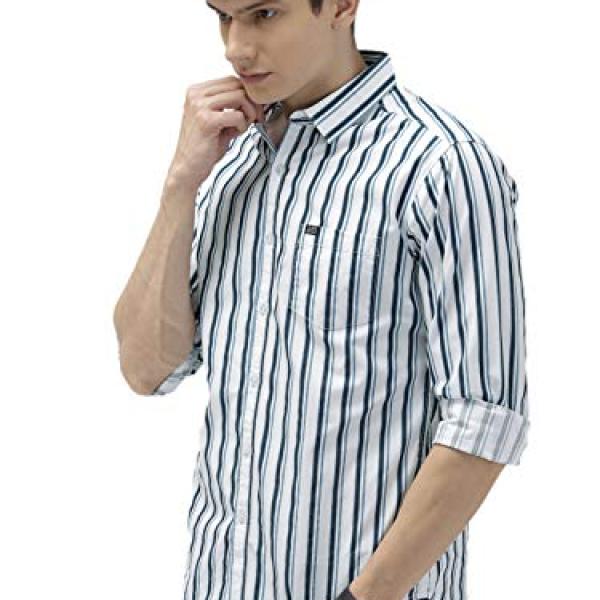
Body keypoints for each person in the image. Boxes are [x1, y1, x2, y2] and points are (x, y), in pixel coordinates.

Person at [112, 1, 531, 599]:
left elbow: (485, 420)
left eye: (263, 14)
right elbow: (147, 369)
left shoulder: (442, 166)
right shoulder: (234, 162)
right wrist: (181, 184)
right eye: (223, 17)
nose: (234, 47)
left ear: (341, 5)